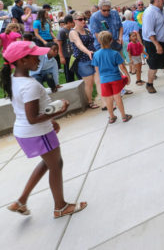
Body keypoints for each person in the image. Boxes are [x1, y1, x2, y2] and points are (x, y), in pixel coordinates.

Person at [1, 41, 87, 218]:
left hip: (27, 132)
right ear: (22, 60)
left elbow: (29, 112)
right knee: (56, 164)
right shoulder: (30, 85)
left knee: (49, 163)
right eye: (34, 56)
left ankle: (21, 201)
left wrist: (50, 120)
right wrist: (60, 111)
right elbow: (33, 118)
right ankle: (60, 207)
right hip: (37, 132)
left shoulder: (14, 78)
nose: (39, 58)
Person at [92, 31, 132, 123]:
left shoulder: (96, 55)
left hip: (104, 80)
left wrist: (99, 80)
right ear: (111, 41)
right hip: (115, 78)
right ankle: (124, 116)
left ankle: (112, 116)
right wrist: (127, 76)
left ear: (99, 41)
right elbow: (122, 66)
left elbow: (96, 70)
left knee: (108, 98)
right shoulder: (115, 53)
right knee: (117, 97)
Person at [69, 13, 100, 109]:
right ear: (74, 20)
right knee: (89, 83)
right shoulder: (73, 32)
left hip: (94, 58)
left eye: (84, 19)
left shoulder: (87, 30)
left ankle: (104, 100)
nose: (83, 21)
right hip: (83, 61)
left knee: (99, 80)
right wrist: (88, 52)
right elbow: (79, 44)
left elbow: (94, 42)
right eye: (80, 19)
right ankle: (90, 102)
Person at [57, 15, 77, 83]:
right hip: (66, 56)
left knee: (76, 71)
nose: (74, 24)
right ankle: (71, 85)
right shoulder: (62, 31)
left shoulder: (72, 30)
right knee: (69, 74)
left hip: (73, 54)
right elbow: (59, 45)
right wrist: (61, 57)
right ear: (69, 22)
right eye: (73, 22)